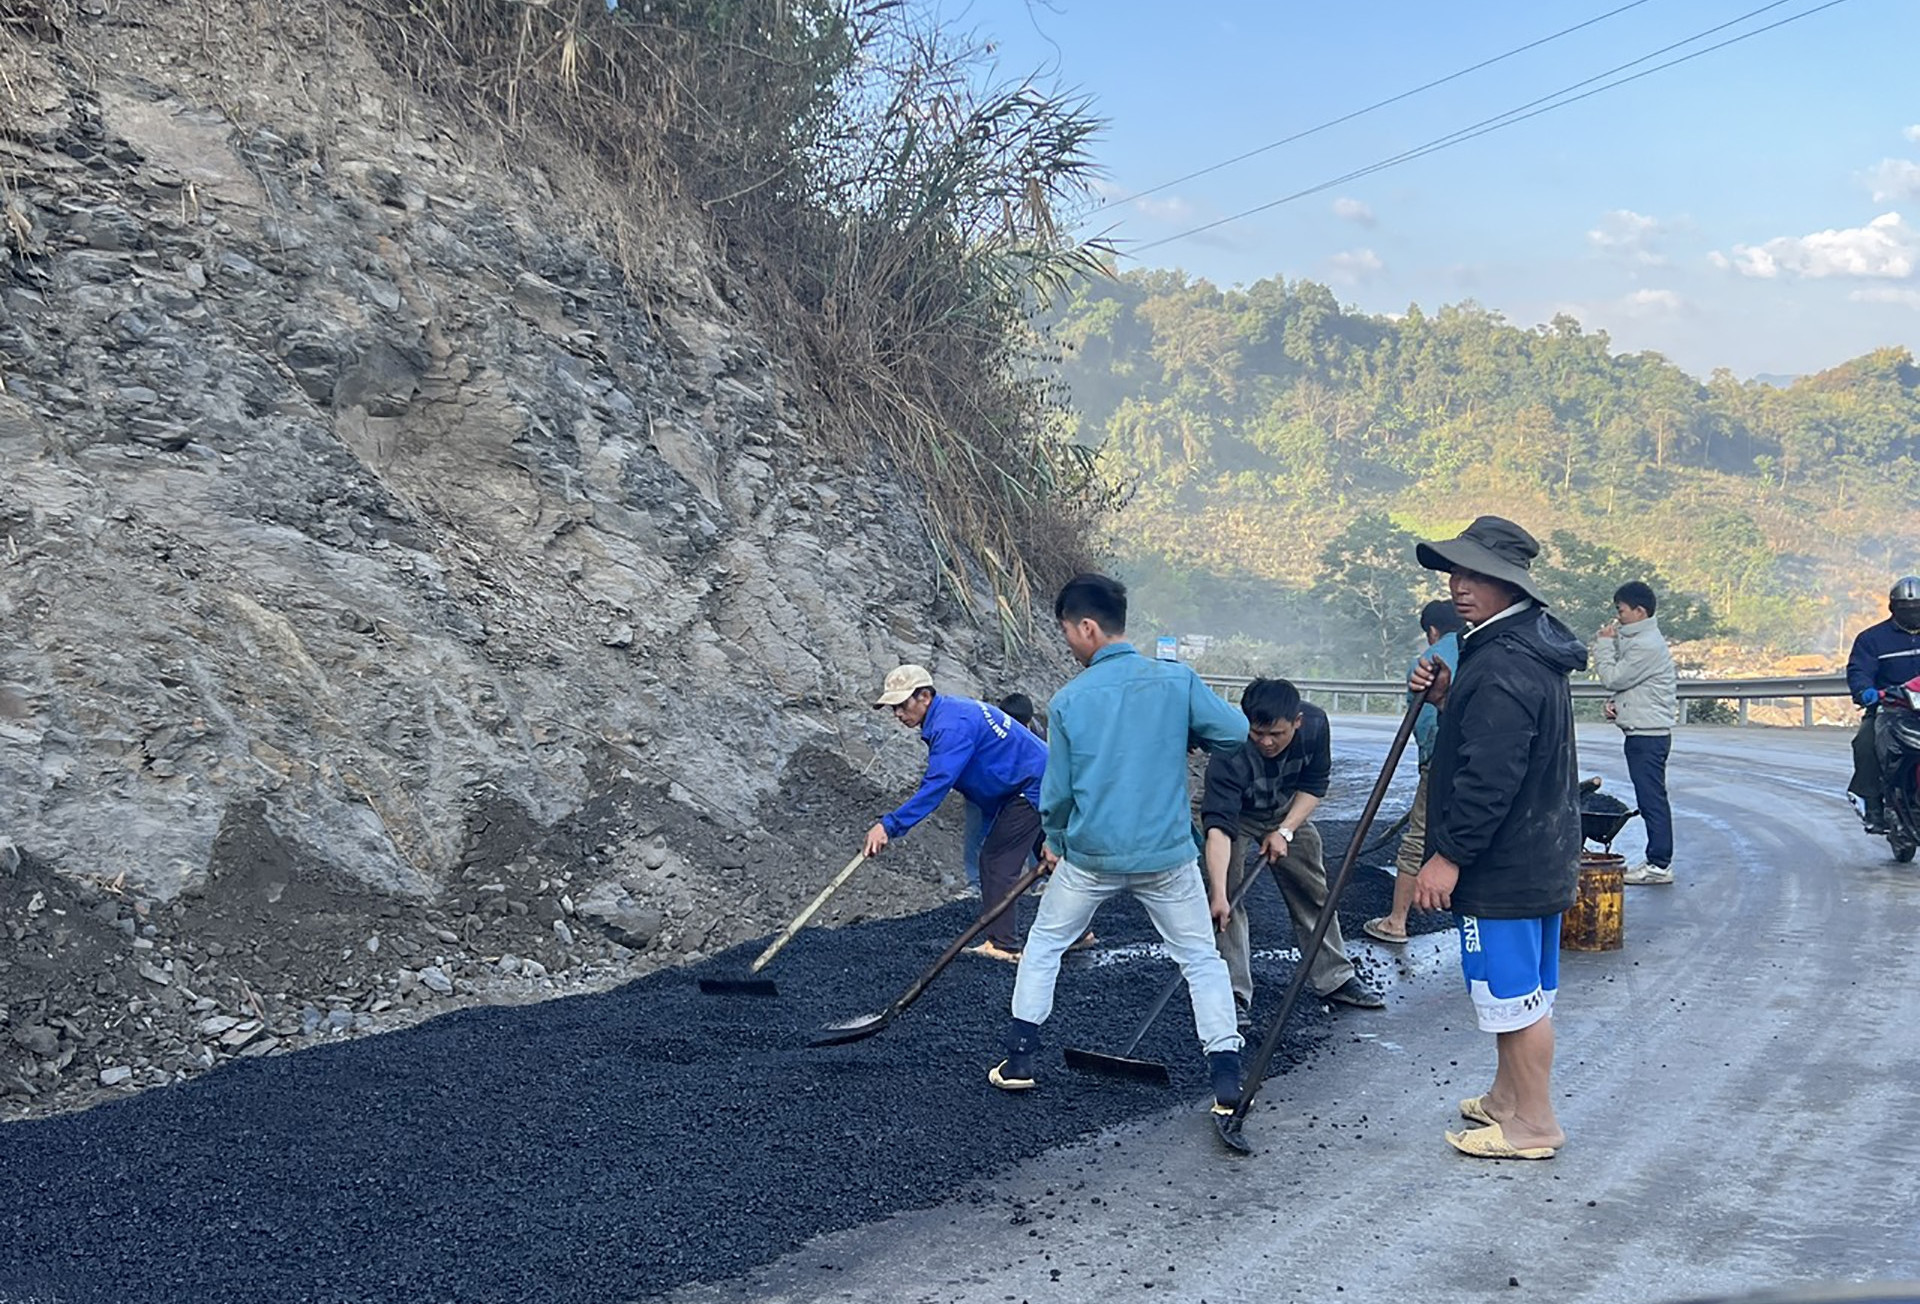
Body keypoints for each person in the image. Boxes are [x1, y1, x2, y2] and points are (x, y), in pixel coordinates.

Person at [989, 573, 1251, 1117]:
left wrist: (1054, 841)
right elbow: (1235, 732)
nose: (1067, 642)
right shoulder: (1176, 682)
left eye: (1066, 631)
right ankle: (1227, 1080)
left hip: (1090, 857)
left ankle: (1019, 1061)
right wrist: (1186, 732)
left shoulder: (1069, 700)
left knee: (1044, 945)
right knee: (1201, 960)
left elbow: (1058, 792)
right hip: (1167, 857)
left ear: (1087, 627)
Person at [1407, 516, 1585, 1161]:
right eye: (1457, 572)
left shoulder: (1505, 661)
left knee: (1514, 998)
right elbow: (1496, 737)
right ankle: (1508, 1100)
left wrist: (1448, 856)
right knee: (1520, 992)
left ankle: (1534, 1124)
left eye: (1477, 575)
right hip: (1536, 853)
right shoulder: (1521, 645)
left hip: (1503, 863)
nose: (1459, 585)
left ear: (1511, 584)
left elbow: (1490, 777)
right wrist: (1449, 700)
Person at [1200, 678, 1384, 1024]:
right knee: (1226, 903)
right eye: (1258, 733)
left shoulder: (1315, 726)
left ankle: (1335, 977)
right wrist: (1219, 893)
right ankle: (1232, 992)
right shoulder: (1229, 747)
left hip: (1286, 809)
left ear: (1297, 722)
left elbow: (1314, 785)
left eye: (1277, 734)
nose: (1266, 742)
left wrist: (1285, 831)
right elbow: (1219, 827)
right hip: (1236, 816)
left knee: (1313, 891)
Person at [867, 666, 1048, 962]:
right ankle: (1078, 933)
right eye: (893, 708)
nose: (897, 714)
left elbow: (937, 785)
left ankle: (1004, 944)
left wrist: (890, 825)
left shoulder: (950, 726)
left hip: (1032, 785)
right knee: (1046, 857)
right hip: (1027, 781)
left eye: (901, 705)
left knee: (996, 861)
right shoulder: (951, 712)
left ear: (925, 696)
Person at [1365, 600, 1465, 944]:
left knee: (1419, 836)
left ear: (1432, 631)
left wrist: (1428, 762)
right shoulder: (1480, 652)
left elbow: (1423, 723)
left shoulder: (1427, 662)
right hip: (1479, 759)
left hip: (1439, 760)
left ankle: (1396, 922)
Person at [1594, 581, 1679, 885]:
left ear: (1640, 611)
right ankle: (1657, 861)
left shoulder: (1645, 645)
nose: (1618, 618)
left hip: (1648, 736)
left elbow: (1614, 677)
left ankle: (1659, 864)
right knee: (1650, 798)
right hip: (1643, 732)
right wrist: (1618, 704)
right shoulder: (1641, 640)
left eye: (1622, 611)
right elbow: (1633, 686)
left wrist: (1604, 645)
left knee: (1651, 800)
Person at [1845, 577, 1920, 834]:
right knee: (1865, 743)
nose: (1912, 612)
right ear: (1892, 607)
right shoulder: (1872, 639)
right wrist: (1865, 691)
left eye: (1917, 607)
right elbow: (1859, 670)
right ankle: (1873, 806)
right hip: (1889, 709)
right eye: (1905, 607)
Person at [961, 694, 1045, 892]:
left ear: (1028, 722)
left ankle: (1039, 880)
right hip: (985, 785)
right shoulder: (987, 731)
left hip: (1024, 785)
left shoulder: (1040, 735)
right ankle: (975, 884)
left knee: (1034, 828)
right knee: (976, 832)